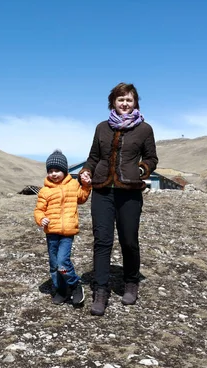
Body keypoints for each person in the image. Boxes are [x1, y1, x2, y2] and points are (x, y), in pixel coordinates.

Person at [78, 82, 158, 316]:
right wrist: (86, 171)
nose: (125, 103)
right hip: (102, 190)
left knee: (129, 240)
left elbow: (152, 158)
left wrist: (142, 170)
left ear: (135, 103)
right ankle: (100, 291)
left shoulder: (144, 129)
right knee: (102, 241)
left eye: (129, 100)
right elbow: (93, 157)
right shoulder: (102, 128)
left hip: (130, 192)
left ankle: (131, 282)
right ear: (113, 102)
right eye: (120, 99)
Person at [34, 149, 92, 306]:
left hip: (67, 232)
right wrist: (41, 219)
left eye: (57, 170)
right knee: (54, 265)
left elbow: (81, 198)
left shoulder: (73, 185)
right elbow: (39, 210)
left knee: (62, 262)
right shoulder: (45, 191)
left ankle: (74, 285)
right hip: (52, 232)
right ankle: (61, 290)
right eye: (50, 171)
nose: (53, 174)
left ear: (65, 171)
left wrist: (86, 186)